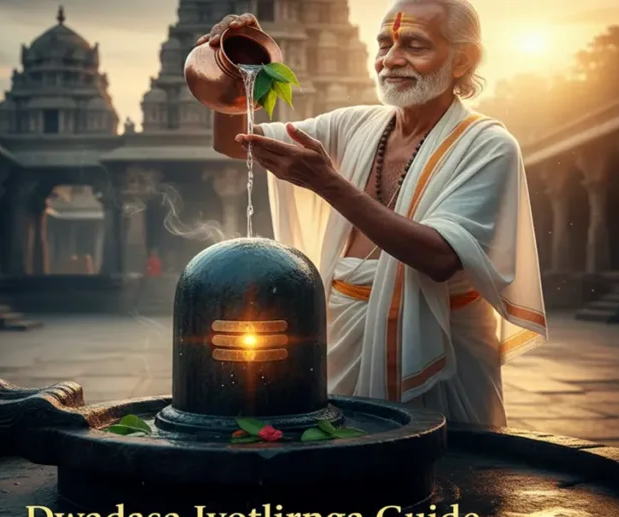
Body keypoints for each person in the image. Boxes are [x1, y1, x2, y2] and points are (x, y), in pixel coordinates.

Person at [201, 0, 547, 427]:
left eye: (414, 45)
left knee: (451, 475)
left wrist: (329, 184)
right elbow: (236, 142)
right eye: (385, 43)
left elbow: (438, 257)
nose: (391, 59)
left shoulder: (488, 145)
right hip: (339, 337)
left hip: (444, 354)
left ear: (462, 60)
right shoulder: (356, 125)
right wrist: (230, 69)